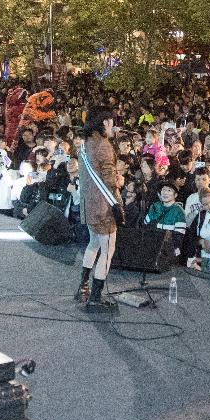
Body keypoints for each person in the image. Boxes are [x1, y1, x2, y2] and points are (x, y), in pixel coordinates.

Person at [77, 105, 123, 311]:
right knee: (107, 250)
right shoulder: (103, 145)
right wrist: (116, 201)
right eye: (111, 121)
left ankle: (83, 287)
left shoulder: (87, 143)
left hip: (89, 204)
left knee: (93, 244)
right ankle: (96, 297)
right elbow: (109, 180)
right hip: (103, 206)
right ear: (105, 122)